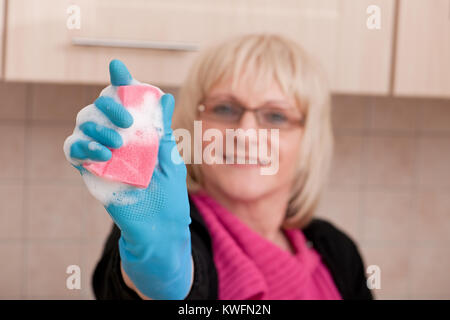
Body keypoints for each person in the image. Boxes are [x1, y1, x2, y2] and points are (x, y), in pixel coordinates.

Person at [64, 33, 373, 300]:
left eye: (276, 116)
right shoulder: (172, 225)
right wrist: (160, 274)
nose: (245, 134)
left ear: (309, 139)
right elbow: (143, 286)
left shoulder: (334, 249)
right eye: (225, 108)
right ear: (195, 123)